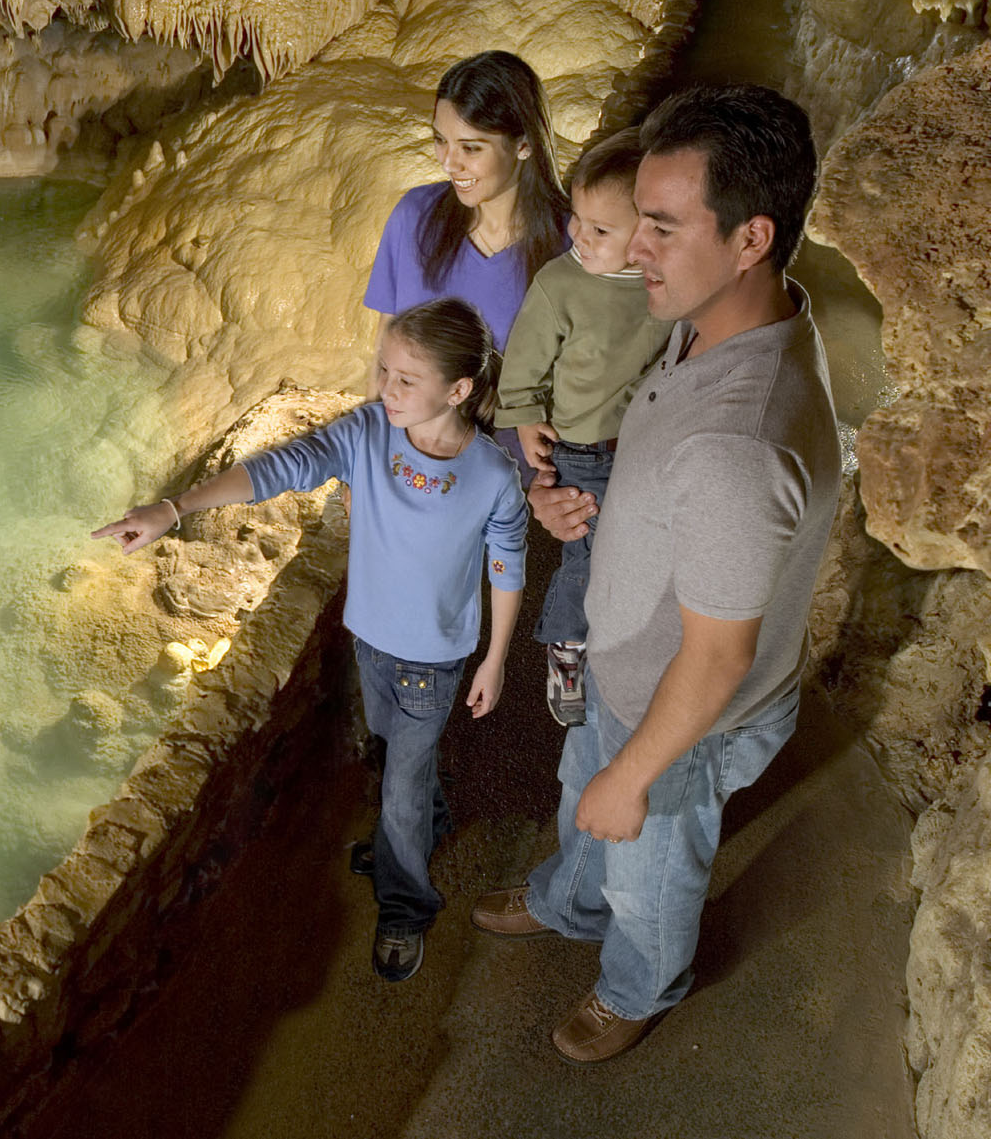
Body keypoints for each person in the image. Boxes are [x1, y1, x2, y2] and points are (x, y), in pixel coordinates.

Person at [471, 85, 838, 1065]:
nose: (636, 249)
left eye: (663, 228)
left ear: (751, 237)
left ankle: (639, 980)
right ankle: (566, 898)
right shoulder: (713, 316)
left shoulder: (738, 442)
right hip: (627, 661)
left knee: (650, 870)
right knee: (583, 797)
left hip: (686, 722)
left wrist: (638, 775)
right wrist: (567, 501)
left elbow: (716, 659)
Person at [95, 298, 525, 985]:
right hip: (373, 642)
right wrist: (176, 508)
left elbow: (507, 562)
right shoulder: (366, 432)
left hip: (436, 659)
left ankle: (405, 903)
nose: (385, 387)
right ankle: (412, 835)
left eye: (406, 378)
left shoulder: (493, 477)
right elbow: (283, 465)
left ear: (459, 389)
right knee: (391, 757)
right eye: (384, 369)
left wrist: (497, 657)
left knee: (402, 788)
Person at [492, 129, 673, 727]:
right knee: (590, 557)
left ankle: (627, 642)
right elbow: (522, 366)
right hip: (583, 452)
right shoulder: (560, 284)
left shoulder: (663, 288)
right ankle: (566, 645)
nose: (579, 236)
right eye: (577, 219)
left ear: (646, 233)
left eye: (601, 230)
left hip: (645, 446)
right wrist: (522, 424)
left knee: (641, 554)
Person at [365, 51, 570, 351]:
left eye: (470, 148)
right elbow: (383, 359)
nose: (449, 163)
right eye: (440, 140)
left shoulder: (576, 242)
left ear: (524, 144)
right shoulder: (413, 216)